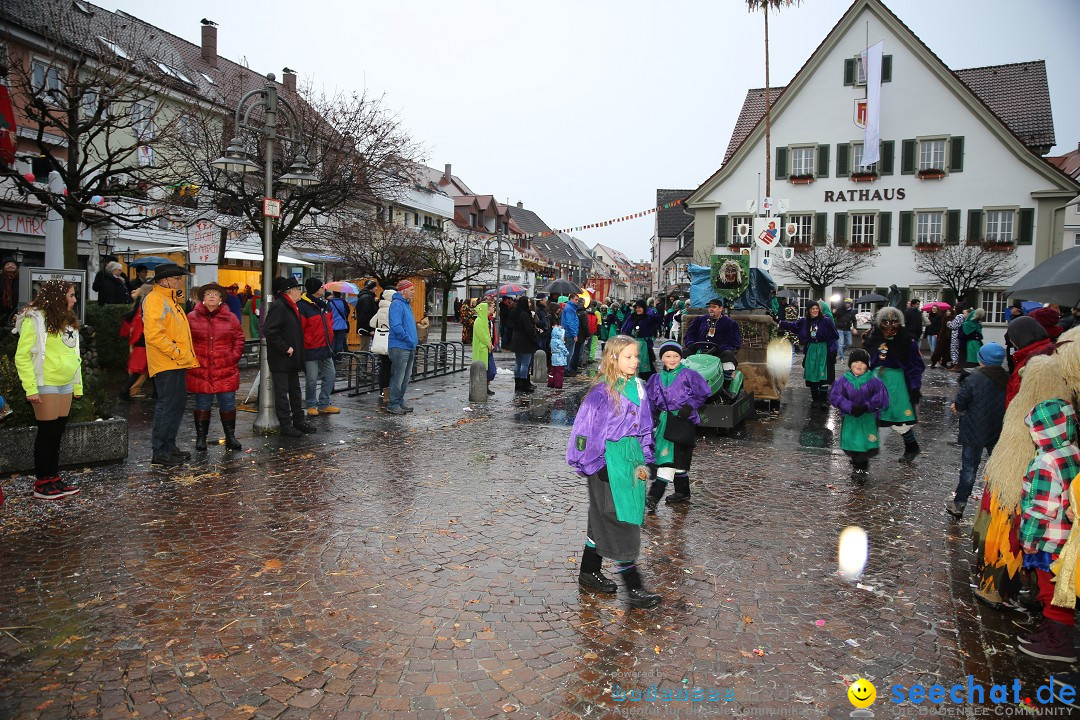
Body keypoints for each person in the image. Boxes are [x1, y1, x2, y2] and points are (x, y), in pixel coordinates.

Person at [566, 335, 661, 609]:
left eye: (636, 356)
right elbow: (583, 433)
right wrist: (597, 465)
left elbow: (644, 426)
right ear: (613, 358)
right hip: (607, 461)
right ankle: (634, 587)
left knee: (602, 516)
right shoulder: (601, 393)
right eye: (629, 356)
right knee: (621, 520)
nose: (635, 361)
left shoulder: (639, 387)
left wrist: (647, 457)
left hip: (630, 460)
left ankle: (588, 571)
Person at [1016, 398, 1078, 663]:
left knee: (1051, 590)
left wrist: (1028, 539)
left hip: (1049, 540)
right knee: (1058, 587)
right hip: (1068, 538)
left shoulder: (1046, 462)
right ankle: (1051, 630)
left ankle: (1058, 642)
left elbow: (1041, 507)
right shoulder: (1073, 451)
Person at [13, 279, 83, 500]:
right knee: (47, 433)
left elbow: (75, 354)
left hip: (65, 383)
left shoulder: (69, 320)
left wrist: (77, 384)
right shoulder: (34, 319)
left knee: (57, 432)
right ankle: (42, 481)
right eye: (71, 295)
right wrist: (30, 387)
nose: (74, 299)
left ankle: (53, 478)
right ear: (57, 296)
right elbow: (22, 356)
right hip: (46, 382)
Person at [141, 263, 198, 466]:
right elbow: (154, 334)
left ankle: (169, 446)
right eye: (176, 278)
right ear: (164, 280)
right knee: (167, 406)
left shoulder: (170, 299)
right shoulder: (156, 299)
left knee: (176, 405)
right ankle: (161, 451)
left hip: (176, 361)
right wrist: (176, 352)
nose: (179, 281)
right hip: (167, 362)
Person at [644, 341, 711, 510]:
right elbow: (650, 400)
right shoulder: (656, 378)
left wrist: (689, 407)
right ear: (662, 358)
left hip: (683, 422)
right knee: (675, 461)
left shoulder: (689, 375)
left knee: (670, 460)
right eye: (667, 356)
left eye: (675, 356)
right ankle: (683, 492)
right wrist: (653, 416)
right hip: (664, 423)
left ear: (681, 357)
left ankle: (653, 496)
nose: (672, 359)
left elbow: (704, 392)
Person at [946, 343, 1008, 518]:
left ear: (981, 359)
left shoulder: (972, 379)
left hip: (973, 430)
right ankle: (1002, 503)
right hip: (998, 429)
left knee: (969, 469)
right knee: (999, 467)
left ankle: (959, 504)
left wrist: (956, 407)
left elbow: (961, 402)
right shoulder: (1007, 378)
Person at [185, 283, 245, 452]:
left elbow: (239, 339)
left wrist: (232, 358)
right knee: (202, 404)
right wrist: (192, 360)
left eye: (215, 294)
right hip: (200, 369)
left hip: (225, 369)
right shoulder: (191, 317)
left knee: (227, 403)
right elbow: (185, 340)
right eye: (208, 294)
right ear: (202, 298)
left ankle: (230, 436)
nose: (212, 297)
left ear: (220, 299)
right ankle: (201, 438)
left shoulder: (231, 318)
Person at [866, 306, 925, 463]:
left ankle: (912, 447)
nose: (890, 326)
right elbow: (867, 361)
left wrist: (915, 386)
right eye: (885, 322)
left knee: (899, 418)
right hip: (875, 381)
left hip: (897, 384)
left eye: (894, 322)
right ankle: (864, 451)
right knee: (869, 415)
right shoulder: (875, 339)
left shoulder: (908, 342)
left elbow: (916, 366)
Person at [263, 276, 316, 437]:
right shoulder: (280, 306)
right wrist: (286, 348)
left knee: (295, 391)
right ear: (291, 291)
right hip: (281, 358)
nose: (301, 292)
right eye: (298, 289)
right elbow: (270, 331)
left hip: (292, 358)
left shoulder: (293, 306)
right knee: (282, 393)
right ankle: (285, 424)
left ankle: (298, 421)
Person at [829, 348, 890, 481]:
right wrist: (849, 407)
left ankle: (861, 469)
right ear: (850, 364)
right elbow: (835, 397)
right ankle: (857, 464)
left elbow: (882, 399)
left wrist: (867, 406)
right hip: (850, 418)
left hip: (868, 419)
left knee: (864, 444)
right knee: (853, 442)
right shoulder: (843, 381)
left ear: (867, 365)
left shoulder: (874, 381)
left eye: (862, 363)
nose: (859, 365)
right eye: (855, 362)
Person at [779, 302, 839, 408]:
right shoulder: (804, 321)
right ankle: (815, 400)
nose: (815, 310)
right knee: (812, 373)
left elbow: (834, 336)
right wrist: (778, 321)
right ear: (809, 310)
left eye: (817, 308)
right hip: (811, 349)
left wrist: (833, 349)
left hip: (823, 349)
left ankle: (823, 400)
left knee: (822, 373)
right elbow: (793, 326)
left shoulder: (826, 320)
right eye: (812, 309)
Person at [298, 277, 340, 416]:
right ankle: (311, 404)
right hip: (310, 348)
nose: (324, 289)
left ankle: (324, 403)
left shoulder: (325, 305)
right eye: (322, 287)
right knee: (312, 378)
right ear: (315, 289)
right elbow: (300, 329)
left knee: (330, 375)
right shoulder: (303, 306)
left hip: (325, 347)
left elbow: (330, 324)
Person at [684, 297, 742, 385]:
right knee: (683, 353)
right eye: (709, 307)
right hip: (698, 351)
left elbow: (734, 342)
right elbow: (689, 335)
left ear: (721, 309)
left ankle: (726, 384)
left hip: (718, 353)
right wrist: (691, 343)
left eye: (714, 307)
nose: (711, 309)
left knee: (729, 355)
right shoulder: (700, 320)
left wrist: (720, 348)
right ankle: (679, 381)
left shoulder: (729, 323)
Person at [387, 279, 419, 415]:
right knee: (398, 377)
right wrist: (408, 338)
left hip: (408, 346)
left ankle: (399, 401)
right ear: (404, 291)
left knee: (405, 378)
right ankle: (393, 404)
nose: (414, 292)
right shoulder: (396, 305)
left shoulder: (405, 305)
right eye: (411, 290)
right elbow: (396, 326)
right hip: (400, 346)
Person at [117, 284, 154, 402]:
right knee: (140, 370)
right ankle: (124, 392)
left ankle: (126, 392)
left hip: (140, 343)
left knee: (144, 370)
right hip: (143, 343)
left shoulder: (138, 308)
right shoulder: (144, 308)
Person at [621, 300, 661, 379]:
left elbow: (658, 320)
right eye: (636, 308)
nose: (638, 309)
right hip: (632, 344)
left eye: (640, 308)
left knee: (645, 366)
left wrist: (652, 310)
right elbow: (625, 329)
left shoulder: (648, 318)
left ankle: (649, 383)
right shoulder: (631, 317)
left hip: (644, 346)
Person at [370, 288, 396, 405]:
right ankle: (389, 390)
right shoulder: (393, 308)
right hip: (391, 341)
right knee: (391, 366)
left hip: (381, 341)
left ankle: (382, 390)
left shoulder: (381, 308)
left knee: (383, 366)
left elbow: (371, 323)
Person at [509, 296, 539, 394]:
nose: (530, 304)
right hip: (525, 341)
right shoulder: (525, 314)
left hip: (517, 340)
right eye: (528, 302)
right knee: (525, 363)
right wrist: (534, 338)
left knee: (518, 362)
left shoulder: (515, 312)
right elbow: (529, 329)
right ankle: (523, 382)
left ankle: (518, 383)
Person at [472, 298, 496, 397]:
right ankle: (482, 388)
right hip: (483, 349)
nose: (494, 308)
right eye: (492, 307)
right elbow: (483, 335)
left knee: (490, 370)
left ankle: (485, 387)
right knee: (487, 370)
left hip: (486, 349)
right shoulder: (479, 321)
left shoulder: (485, 320)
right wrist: (489, 344)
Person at [354, 280, 379, 353]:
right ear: (371, 288)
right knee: (364, 350)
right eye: (375, 286)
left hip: (365, 328)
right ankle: (361, 364)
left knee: (365, 349)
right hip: (366, 329)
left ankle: (362, 364)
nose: (376, 288)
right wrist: (370, 329)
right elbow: (366, 315)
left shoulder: (366, 297)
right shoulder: (367, 298)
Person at [327, 290, 351, 357]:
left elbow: (328, 313)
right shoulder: (343, 302)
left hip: (332, 325)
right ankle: (338, 357)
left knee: (333, 342)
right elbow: (347, 311)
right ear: (340, 294)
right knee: (340, 342)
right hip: (342, 325)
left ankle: (332, 356)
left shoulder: (330, 302)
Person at [562, 294, 581, 376]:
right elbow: (570, 322)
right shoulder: (570, 309)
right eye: (576, 299)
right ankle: (566, 369)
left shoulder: (571, 308)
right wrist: (574, 334)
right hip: (569, 333)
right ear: (571, 299)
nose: (577, 301)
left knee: (569, 352)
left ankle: (566, 368)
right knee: (569, 352)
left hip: (570, 333)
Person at [549, 318, 568, 388]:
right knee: (559, 372)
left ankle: (550, 382)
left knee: (553, 371)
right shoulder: (559, 342)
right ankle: (558, 384)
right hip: (559, 358)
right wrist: (567, 352)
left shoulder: (552, 340)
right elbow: (563, 349)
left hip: (554, 357)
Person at [534, 296, 552, 372]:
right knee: (541, 351)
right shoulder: (539, 311)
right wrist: (543, 324)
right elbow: (539, 322)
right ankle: (539, 369)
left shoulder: (543, 310)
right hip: (542, 334)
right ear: (541, 300)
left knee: (544, 352)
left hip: (545, 334)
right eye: (545, 299)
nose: (546, 301)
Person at [0, 256, 19, 326]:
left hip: (17, 311)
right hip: (2, 312)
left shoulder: (21, 279)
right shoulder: (1, 279)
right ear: (3, 267)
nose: (10, 265)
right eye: (7, 264)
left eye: (13, 264)